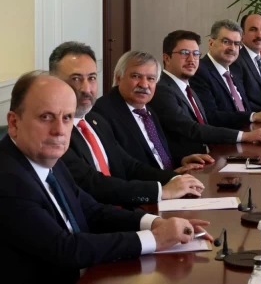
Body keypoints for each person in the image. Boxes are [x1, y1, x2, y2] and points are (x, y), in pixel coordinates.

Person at [0, 71, 212, 283]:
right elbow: (65, 249)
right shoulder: (8, 179)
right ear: (14, 123)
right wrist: (156, 238)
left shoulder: (48, 159)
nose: (59, 130)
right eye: (46, 117)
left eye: (66, 118)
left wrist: (155, 223)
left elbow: (93, 211)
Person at [50, 42, 205, 206]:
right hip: (109, 212)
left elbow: (130, 165)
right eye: (76, 78)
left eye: (92, 78)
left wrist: (177, 179)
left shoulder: (95, 121)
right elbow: (92, 183)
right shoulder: (57, 131)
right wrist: (161, 191)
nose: (86, 88)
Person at [149, 30, 261, 163]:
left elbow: (205, 123)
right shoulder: (162, 90)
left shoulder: (187, 88)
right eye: (184, 53)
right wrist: (244, 136)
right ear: (167, 58)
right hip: (190, 166)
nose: (191, 59)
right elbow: (192, 129)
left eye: (195, 54)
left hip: (212, 158)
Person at [94, 51, 213, 172]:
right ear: (119, 78)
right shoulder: (102, 113)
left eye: (151, 78)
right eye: (136, 76)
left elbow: (155, 152)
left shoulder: (147, 110)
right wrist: (169, 177)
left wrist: (181, 160)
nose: (144, 85)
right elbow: (124, 167)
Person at [190, 19, 261, 129]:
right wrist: (252, 116)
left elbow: (244, 109)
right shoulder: (199, 71)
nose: (232, 48)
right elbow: (210, 116)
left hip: (251, 132)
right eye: (226, 42)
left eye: (237, 44)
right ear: (211, 43)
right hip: (227, 138)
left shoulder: (233, 72)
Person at [231, 14, 261, 112]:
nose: (259, 35)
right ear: (242, 34)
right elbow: (242, 102)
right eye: (253, 29)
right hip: (257, 118)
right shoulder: (236, 60)